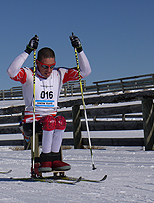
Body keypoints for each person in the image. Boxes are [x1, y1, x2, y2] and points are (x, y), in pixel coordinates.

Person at [7, 34, 91, 173]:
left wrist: (79, 50)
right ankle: (45, 159)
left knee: (61, 121)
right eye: (45, 66)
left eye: (52, 66)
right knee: (50, 122)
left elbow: (86, 71)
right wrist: (28, 51)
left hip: (51, 118)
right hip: (32, 120)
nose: (49, 70)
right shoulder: (29, 75)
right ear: (38, 63)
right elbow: (11, 71)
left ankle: (55, 159)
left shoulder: (59, 74)